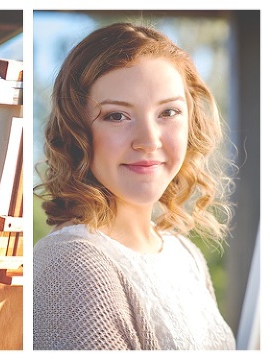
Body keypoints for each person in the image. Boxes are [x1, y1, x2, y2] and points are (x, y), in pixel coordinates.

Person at [33, 22, 236, 350]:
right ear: (77, 132)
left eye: (168, 112)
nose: (149, 141)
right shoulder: (70, 264)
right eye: (117, 116)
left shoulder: (185, 255)